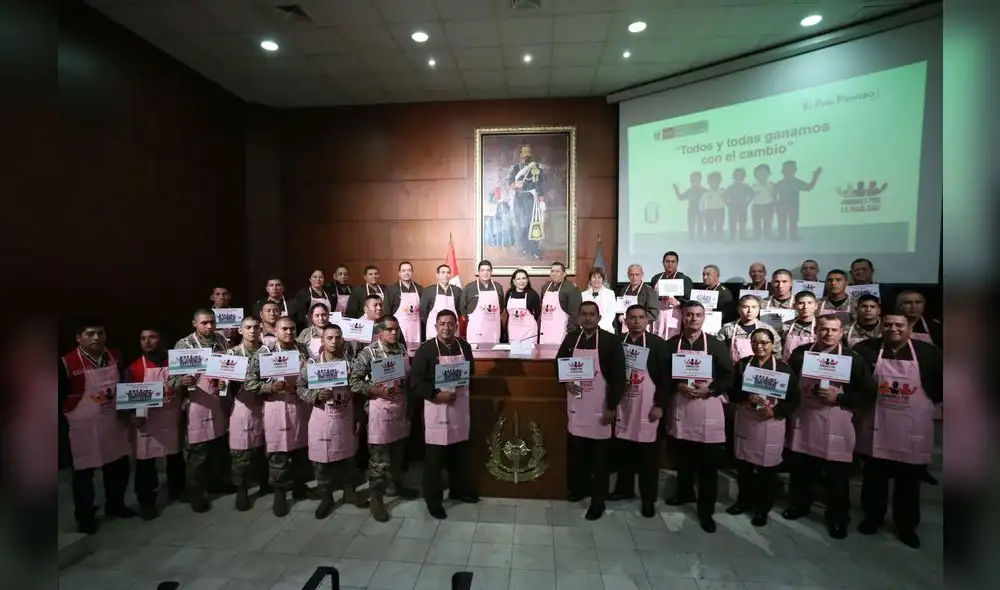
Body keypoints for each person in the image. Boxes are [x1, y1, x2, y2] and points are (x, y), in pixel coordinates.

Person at [854, 312, 943, 548]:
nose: (893, 328)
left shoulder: (929, 354)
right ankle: (872, 518)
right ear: (881, 327)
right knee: (874, 479)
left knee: (909, 483)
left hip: (911, 429)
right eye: (888, 324)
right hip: (876, 425)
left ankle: (906, 526)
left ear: (909, 327)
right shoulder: (866, 349)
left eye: (899, 325)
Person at [784, 315, 876, 539]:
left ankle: (838, 517)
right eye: (824, 329)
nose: (828, 334)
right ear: (816, 330)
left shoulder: (853, 358)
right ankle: (800, 505)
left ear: (841, 332)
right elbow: (788, 382)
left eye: (833, 330)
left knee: (837, 475)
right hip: (804, 418)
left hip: (836, 420)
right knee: (801, 470)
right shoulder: (800, 354)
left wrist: (841, 397)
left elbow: (868, 393)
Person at [664, 301, 736, 532]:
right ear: (682, 318)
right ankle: (684, 494)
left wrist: (711, 390)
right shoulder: (672, 344)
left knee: (707, 467)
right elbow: (662, 371)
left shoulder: (715, 345)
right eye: (689, 315)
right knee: (683, 459)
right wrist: (676, 384)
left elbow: (729, 376)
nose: (693, 319)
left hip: (707, 408)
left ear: (704, 318)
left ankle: (706, 512)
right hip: (681, 409)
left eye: (698, 315)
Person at [59, 318, 135, 533]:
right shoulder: (67, 362)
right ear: (78, 338)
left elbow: (126, 384)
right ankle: (85, 516)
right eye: (90, 333)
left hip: (112, 420)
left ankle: (116, 504)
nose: (96, 337)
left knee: (118, 466)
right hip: (83, 426)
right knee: (84, 474)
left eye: (100, 333)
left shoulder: (115, 356)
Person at [556, 301, 625, 520]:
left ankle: (598, 501)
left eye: (591, 314)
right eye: (583, 314)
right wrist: (564, 380)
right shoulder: (570, 339)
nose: (587, 318)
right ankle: (580, 489)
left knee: (599, 460)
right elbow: (558, 363)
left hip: (600, 408)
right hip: (577, 406)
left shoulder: (610, 341)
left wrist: (612, 406)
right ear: (578, 317)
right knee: (580, 455)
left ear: (599, 317)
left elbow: (618, 378)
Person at [726, 328, 800, 526]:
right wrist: (746, 396)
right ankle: (743, 501)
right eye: (756, 342)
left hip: (770, 423)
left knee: (767, 470)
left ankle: (762, 508)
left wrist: (775, 411)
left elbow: (795, 399)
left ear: (773, 344)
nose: (760, 346)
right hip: (746, 420)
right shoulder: (742, 365)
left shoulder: (783, 368)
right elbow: (731, 391)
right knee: (744, 467)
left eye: (764, 343)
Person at [411, 310, 480, 519]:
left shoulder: (464, 347)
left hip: (459, 407)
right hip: (436, 408)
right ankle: (433, 500)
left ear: (455, 326)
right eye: (442, 324)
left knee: (458, 455)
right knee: (435, 459)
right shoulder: (426, 350)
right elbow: (415, 383)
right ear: (435, 327)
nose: (446, 328)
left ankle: (459, 490)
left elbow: (472, 370)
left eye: (450, 324)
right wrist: (435, 394)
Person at [243, 316, 314, 517]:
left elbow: (315, 373)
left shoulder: (303, 349)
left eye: (292, 329)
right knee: (279, 452)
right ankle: (280, 493)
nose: (289, 332)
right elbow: (248, 382)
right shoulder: (264, 353)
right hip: (276, 407)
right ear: (275, 331)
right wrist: (269, 386)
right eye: (284, 329)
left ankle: (300, 486)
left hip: (300, 406)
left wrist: (308, 373)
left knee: (301, 451)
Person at [349, 315, 417, 521]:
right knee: (380, 460)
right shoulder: (368, 353)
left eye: (396, 329)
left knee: (398, 454)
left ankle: (396, 486)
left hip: (399, 408)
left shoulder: (402, 350)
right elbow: (353, 381)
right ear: (380, 332)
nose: (394, 333)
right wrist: (375, 390)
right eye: (389, 330)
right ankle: (376, 498)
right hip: (379, 410)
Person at [304, 325, 369, 519]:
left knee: (348, 457)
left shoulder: (352, 363)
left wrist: (359, 415)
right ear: (322, 341)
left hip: (345, 415)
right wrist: (315, 394)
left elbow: (358, 392)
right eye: (329, 338)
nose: (334, 341)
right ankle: (326, 496)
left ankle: (349, 492)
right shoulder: (312, 363)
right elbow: (299, 388)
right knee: (321, 461)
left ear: (343, 340)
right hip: (321, 417)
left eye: (337, 337)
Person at [171, 309, 231, 512]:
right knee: (198, 453)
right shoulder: (184, 345)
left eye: (212, 322)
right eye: (204, 323)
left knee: (218, 447)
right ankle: (195, 493)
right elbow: (171, 379)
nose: (209, 326)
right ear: (194, 324)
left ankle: (216, 483)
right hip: (195, 403)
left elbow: (229, 366)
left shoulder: (221, 341)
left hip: (218, 399)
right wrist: (181, 381)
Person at [610, 305, 668, 517]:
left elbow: (665, 379)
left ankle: (648, 499)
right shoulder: (617, 343)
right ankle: (623, 489)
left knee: (647, 458)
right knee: (623, 452)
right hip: (622, 405)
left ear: (647, 321)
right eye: (632, 318)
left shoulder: (657, 345)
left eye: (640, 317)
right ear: (625, 320)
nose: (636, 321)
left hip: (648, 407)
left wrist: (660, 405)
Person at [122, 327, 184, 520]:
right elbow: (126, 397)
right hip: (147, 421)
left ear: (162, 339)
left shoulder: (177, 361)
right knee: (145, 464)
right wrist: (132, 414)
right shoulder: (134, 368)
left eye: (152, 337)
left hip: (172, 416)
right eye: (143, 338)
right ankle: (146, 502)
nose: (147, 341)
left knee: (175, 457)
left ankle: (178, 490)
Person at [225, 317, 270, 512]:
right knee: (241, 451)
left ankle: (265, 483)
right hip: (242, 406)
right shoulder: (231, 354)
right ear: (241, 331)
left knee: (265, 448)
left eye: (256, 327)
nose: (253, 331)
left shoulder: (268, 352)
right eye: (248, 328)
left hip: (266, 404)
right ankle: (241, 489)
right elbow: (221, 386)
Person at [716, 295, 782, 364]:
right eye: (745, 307)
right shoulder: (728, 328)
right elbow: (718, 350)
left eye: (754, 307)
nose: (750, 311)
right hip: (734, 369)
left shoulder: (767, 329)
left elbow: (777, 352)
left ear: (759, 309)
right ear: (738, 309)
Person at [507, 143, 546, 260]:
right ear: (520, 154)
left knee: (533, 224)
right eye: (524, 152)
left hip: (532, 198)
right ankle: (525, 248)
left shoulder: (537, 168)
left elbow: (541, 185)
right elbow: (510, 183)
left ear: (531, 154)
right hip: (519, 198)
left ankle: (534, 250)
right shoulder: (515, 168)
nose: (526, 155)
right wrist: (515, 184)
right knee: (522, 225)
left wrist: (541, 200)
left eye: (528, 152)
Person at [773, 160, 822, 241]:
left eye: (791, 170)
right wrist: (775, 205)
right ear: (782, 171)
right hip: (781, 206)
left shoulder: (797, 182)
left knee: (793, 221)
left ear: (795, 171)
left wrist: (815, 176)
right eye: (787, 170)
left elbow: (809, 187)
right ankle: (781, 236)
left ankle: (793, 235)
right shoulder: (779, 184)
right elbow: (774, 193)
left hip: (793, 205)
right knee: (781, 221)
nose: (789, 172)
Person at [649, 251, 693, 340]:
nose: (670, 264)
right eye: (667, 261)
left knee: (673, 339)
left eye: (673, 262)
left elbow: (689, 301)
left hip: (675, 314)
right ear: (663, 262)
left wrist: (678, 302)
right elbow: (651, 296)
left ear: (677, 263)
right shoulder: (656, 278)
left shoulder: (684, 279)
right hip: (659, 314)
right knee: (657, 337)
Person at [460, 260, 504, 345]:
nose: (485, 273)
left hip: (493, 329)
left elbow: (501, 307)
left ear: (491, 272)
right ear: (478, 272)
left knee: (493, 354)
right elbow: (462, 307)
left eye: (488, 270)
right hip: (476, 329)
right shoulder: (469, 288)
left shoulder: (498, 287)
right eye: (482, 270)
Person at [538, 261, 582, 344]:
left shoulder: (571, 289)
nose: (554, 274)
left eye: (557, 271)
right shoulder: (545, 287)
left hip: (562, 333)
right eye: (552, 271)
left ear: (564, 274)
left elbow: (575, 314)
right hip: (545, 331)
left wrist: (571, 334)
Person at [420, 264, 462, 341]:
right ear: (437, 275)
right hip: (433, 330)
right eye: (443, 272)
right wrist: (432, 323)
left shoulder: (457, 291)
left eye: (448, 272)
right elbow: (423, 313)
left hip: (452, 329)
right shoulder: (428, 291)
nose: (446, 275)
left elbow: (459, 310)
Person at [386, 261, 423, 345]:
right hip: (398, 329)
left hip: (416, 329)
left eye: (409, 270)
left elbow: (423, 310)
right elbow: (387, 311)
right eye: (403, 270)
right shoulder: (391, 289)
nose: (406, 273)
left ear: (412, 272)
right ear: (399, 273)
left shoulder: (419, 289)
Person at [616, 264, 658, 333]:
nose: (634, 277)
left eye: (637, 274)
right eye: (631, 274)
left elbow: (654, 312)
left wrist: (640, 319)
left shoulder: (649, 291)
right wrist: (620, 316)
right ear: (628, 275)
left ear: (642, 274)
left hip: (642, 326)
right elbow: (619, 307)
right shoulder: (624, 289)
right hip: (625, 324)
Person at [778, 291, 818, 361]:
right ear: (794, 306)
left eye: (809, 303)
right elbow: (778, 349)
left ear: (816, 306)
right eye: (801, 303)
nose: (805, 307)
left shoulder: (820, 327)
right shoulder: (786, 326)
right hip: (788, 365)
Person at [505, 268, 541, 344]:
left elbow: (538, 313)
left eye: (524, 278)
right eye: (518, 279)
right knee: (514, 355)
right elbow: (507, 311)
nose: (521, 281)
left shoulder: (533, 294)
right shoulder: (509, 294)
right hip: (513, 331)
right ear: (514, 281)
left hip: (529, 332)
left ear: (527, 280)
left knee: (529, 354)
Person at [580, 267, 616, 333]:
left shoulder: (610, 293)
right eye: (594, 277)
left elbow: (611, 314)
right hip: (587, 330)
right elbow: (582, 314)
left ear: (603, 280)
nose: (596, 280)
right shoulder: (583, 295)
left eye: (599, 277)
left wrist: (598, 327)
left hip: (605, 330)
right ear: (590, 279)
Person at [723, 167, 755, 240]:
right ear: (734, 176)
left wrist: (747, 202)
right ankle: (732, 236)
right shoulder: (731, 187)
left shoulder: (746, 186)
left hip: (743, 206)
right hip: (733, 206)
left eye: (741, 175)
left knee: (743, 221)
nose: (740, 177)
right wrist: (728, 205)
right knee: (732, 222)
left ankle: (742, 236)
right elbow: (724, 196)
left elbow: (752, 193)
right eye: (738, 175)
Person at [673, 172, 706, 241]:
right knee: (691, 224)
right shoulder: (690, 191)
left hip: (700, 210)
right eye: (692, 180)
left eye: (695, 180)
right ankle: (691, 237)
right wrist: (676, 190)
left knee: (700, 224)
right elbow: (681, 198)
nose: (693, 182)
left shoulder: (704, 190)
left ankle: (700, 237)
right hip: (691, 209)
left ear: (700, 180)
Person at [750, 163, 775, 240]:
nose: (760, 177)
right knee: (756, 222)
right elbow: (751, 197)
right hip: (757, 206)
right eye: (758, 175)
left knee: (768, 222)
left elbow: (774, 195)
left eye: (763, 174)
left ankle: (767, 235)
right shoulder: (754, 186)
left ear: (768, 174)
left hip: (768, 205)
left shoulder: (771, 185)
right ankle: (756, 235)